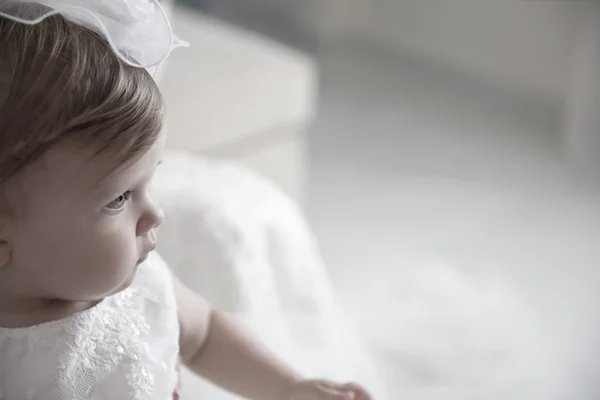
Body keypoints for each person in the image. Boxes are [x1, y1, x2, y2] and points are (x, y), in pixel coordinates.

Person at [0, 1, 372, 399]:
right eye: (119, 199)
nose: (155, 214)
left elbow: (205, 333)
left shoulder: (138, 285)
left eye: (149, 179)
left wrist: (287, 386)